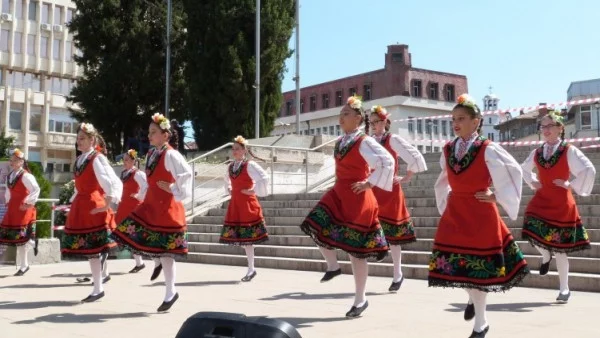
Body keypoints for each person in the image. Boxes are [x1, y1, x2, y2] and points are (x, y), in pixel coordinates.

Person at [428, 94, 529, 338]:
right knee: (459, 266)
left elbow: (513, 171)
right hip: (456, 212)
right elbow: (442, 180)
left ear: (476, 122)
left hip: (480, 212)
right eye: (454, 119)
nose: (456, 123)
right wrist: (445, 200)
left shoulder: (487, 148)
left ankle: (481, 324)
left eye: (461, 118)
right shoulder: (448, 149)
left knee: (478, 268)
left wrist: (497, 196)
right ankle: (473, 300)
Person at [300, 95, 394, 318]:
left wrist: (369, 182)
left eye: (345, 114)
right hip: (338, 192)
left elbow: (387, 161)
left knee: (356, 252)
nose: (340, 117)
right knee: (313, 223)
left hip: (358, 197)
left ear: (359, 118)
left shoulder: (365, 141)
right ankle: (333, 266)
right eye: (340, 113)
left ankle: (360, 300)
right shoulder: (341, 141)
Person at [112, 113, 192, 312]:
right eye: (149, 132)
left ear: (165, 135)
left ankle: (170, 292)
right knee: (127, 232)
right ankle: (157, 266)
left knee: (167, 251)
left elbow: (187, 174)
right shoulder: (151, 155)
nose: (149, 136)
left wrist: (173, 189)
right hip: (151, 205)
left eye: (153, 132)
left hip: (167, 208)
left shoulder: (171, 154)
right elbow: (149, 181)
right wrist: (142, 195)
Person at [521, 110, 596, 302]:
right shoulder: (537, 152)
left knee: (561, 249)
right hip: (542, 197)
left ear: (560, 128)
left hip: (562, 201)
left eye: (549, 126)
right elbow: (523, 169)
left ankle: (564, 289)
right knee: (529, 227)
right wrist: (533, 182)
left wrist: (571, 184)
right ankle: (546, 255)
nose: (545, 130)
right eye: (543, 126)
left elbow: (588, 169)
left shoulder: (568, 150)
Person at [368, 105, 427, 291]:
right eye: (371, 122)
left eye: (376, 121)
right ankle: (380, 252)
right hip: (373, 189)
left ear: (385, 122)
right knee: (372, 227)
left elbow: (415, 156)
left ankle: (397, 274)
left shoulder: (392, 139)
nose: (373, 125)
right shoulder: (368, 141)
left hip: (390, 191)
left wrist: (407, 176)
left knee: (393, 235)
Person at [62, 123, 123, 302]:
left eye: (82, 138)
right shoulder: (80, 160)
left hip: (93, 205)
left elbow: (109, 179)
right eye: (77, 139)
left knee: (94, 248)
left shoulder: (96, 158)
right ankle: (98, 287)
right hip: (82, 204)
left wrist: (109, 199)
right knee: (91, 250)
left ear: (92, 140)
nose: (78, 142)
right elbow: (79, 186)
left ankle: (98, 287)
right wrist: (71, 204)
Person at [219, 135, 269, 282]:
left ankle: (251, 269)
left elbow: (264, 177)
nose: (234, 151)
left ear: (244, 150)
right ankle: (251, 268)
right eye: (233, 149)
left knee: (247, 239)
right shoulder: (230, 166)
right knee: (243, 239)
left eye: (237, 149)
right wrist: (229, 189)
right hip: (236, 203)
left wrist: (253, 190)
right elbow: (226, 180)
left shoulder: (250, 165)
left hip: (247, 203)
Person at [0, 148, 40, 276]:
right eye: (11, 160)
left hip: (23, 208)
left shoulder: (26, 175)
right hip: (13, 208)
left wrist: (28, 203)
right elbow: (8, 191)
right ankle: (27, 255)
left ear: (21, 161)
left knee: (21, 238)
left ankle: (24, 264)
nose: (12, 162)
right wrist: (7, 201)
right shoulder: (10, 176)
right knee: (17, 238)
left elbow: (35, 189)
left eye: (15, 160)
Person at [114, 149, 151, 273]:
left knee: (133, 235)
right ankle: (139, 263)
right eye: (124, 160)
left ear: (133, 161)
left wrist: (138, 195)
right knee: (125, 233)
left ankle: (148, 261)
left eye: (127, 160)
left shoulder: (137, 173)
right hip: (124, 206)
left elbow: (146, 186)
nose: (124, 162)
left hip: (133, 207)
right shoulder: (124, 173)